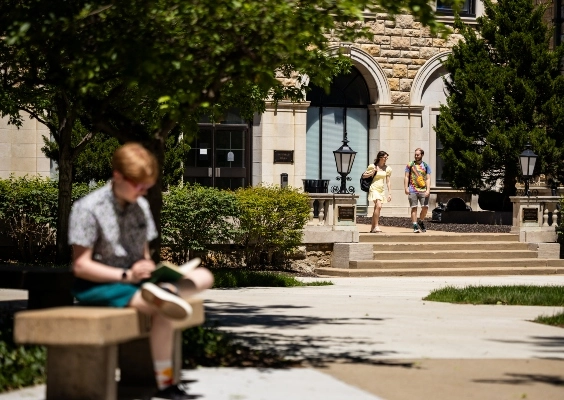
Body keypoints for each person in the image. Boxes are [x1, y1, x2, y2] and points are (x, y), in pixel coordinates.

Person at [68, 142, 214, 399]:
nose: (143, 191)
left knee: (204, 276)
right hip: (101, 284)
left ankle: (166, 290)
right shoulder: (87, 208)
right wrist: (126, 276)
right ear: (118, 176)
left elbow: (144, 255)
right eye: (138, 185)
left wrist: (146, 266)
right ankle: (166, 384)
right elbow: (80, 266)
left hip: (136, 282)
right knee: (163, 309)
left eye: (147, 186)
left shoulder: (141, 206)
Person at [362, 151, 392, 233]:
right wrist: (373, 172)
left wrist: (389, 193)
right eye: (385, 157)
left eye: (386, 158)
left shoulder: (387, 169)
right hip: (373, 188)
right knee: (378, 206)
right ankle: (376, 226)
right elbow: (364, 176)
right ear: (380, 157)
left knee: (377, 208)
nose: (386, 159)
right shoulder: (373, 166)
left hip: (381, 189)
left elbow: (388, 181)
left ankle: (372, 227)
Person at [404, 147, 431, 233]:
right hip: (413, 189)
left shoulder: (426, 166)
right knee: (414, 208)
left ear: (422, 155)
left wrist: (428, 190)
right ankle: (415, 225)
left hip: (423, 190)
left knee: (425, 207)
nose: (416, 156)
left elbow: (428, 179)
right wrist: (406, 187)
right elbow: (406, 176)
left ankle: (421, 221)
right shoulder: (410, 165)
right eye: (415, 154)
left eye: (418, 155)